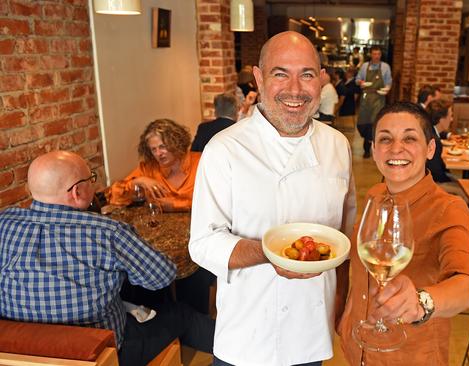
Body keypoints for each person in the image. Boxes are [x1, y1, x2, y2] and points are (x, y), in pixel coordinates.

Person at [189, 31, 356, 366]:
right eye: (281, 73)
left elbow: (345, 230)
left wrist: (344, 299)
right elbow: (203, 243)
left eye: (306, 74)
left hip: (311, 332)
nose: (295, 89)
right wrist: (268, 254)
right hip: (247, 336)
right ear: (258, 78)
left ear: (320, 79)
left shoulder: (338, 144)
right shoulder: (225, 148)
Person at [0, 151, 214, 365]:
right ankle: (240, 350)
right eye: (91, 179)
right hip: (102, 353)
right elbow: (162, 276)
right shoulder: (107, 231)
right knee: (181, 314)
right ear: (77, 191)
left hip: (20, 352)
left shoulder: (4, 223)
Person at [337, 102, 469, 365]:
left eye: (410, 138)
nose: (395, 148)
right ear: (373, 149)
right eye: (385, 139)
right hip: (358, 349)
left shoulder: (449, 209)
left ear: (430, 149)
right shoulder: (376, 195)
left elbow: (465, 283)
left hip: (408, 356)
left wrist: (421, 302)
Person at [106, 119, 200, 212]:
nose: (158, 154)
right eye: (153, 149)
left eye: (162, 147)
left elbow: (212, 200)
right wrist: (138, 181)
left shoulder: (200, 162)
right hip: (159, 224)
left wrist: (176, 205)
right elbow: (114, 197)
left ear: (177, 143)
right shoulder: (149, 168)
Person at [356, 46, 392, 158]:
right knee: (363, 122)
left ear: (381, 55)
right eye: (374, 54)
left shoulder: (385, 67)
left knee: (375, 123)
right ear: (371, 55)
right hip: (366, 97)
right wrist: (361, 83)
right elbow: (358, 79)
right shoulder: (365, 66)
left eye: (378, 54)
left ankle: (370, 147)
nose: (376, 56)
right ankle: (367, 141)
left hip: (379, 98)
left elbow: (388, 82)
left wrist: (387, 89)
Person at [425, 99, 454, 184]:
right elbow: (436, 174)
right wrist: (451, 180)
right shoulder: (435, 141)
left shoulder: (429, 130)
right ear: (441, 119)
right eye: (450, 116)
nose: (451, 119)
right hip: (433, 185)